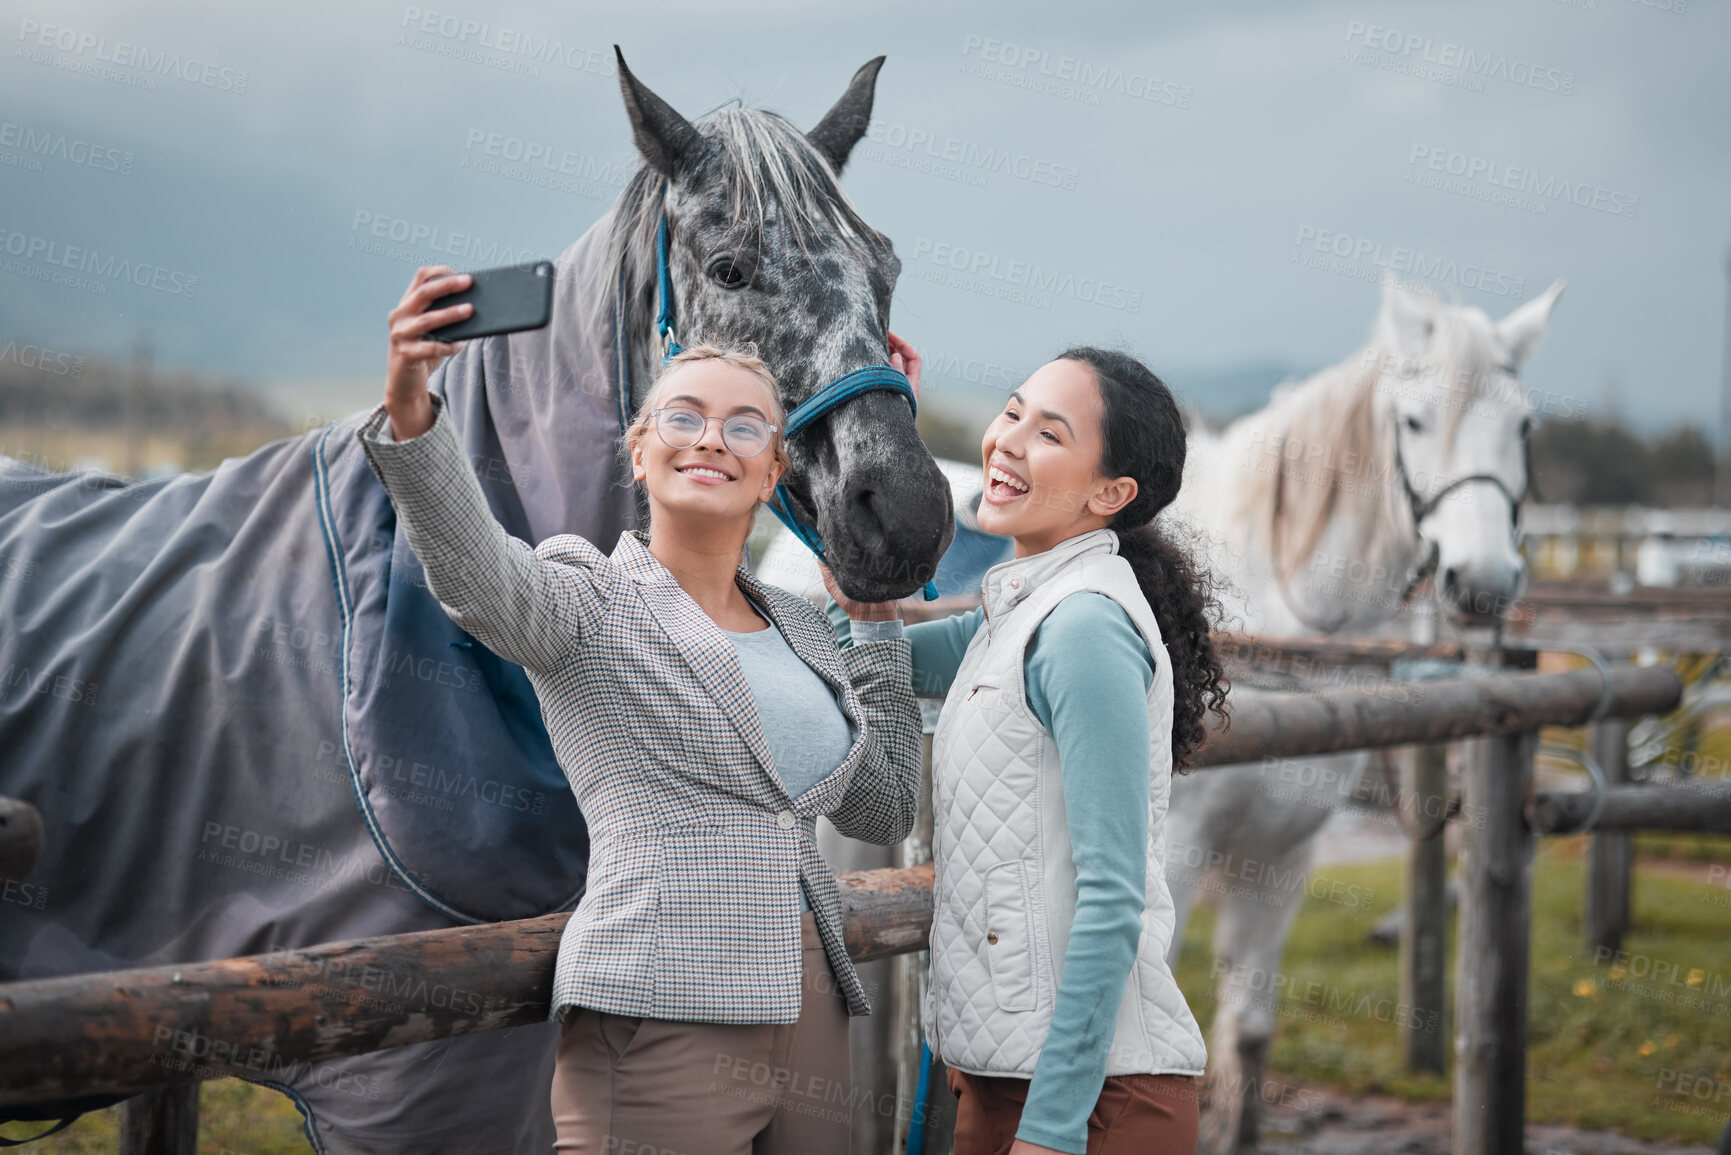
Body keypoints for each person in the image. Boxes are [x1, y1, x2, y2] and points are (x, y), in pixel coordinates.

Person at [361, 265, 925, 1154]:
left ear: (775, 465)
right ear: (639, 449)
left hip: (811, 1003)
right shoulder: (588, 603)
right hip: (661, 1009)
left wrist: (880, 631)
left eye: (744, 425)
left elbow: (884, 808)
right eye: (683, 416)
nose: (712, 439)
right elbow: (473, 569)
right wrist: (409, 401)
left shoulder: (806, 631)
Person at [824, 342, 1228, 1155]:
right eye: (1010, 412)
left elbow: (1112, 899)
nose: (1007, 440)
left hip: (1090, 1103)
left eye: (1048, 433)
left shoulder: (1081, 628)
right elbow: (865, 658)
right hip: (1008, 1078)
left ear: (1110, 492)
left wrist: (1051, 1129)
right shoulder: (1018, 615)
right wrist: (867, 428)